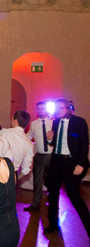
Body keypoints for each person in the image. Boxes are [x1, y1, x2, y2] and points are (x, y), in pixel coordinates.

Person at [45, 99, 90, 237]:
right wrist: (49, 139)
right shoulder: (56, 122)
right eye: (56, 108)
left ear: (68, 109)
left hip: (71, 163)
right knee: (52, 194)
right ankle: (53, 224)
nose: (58, 111)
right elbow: (56, 142)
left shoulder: (79, 122)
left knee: (75, 197)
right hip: (57, 161)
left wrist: (81, 164)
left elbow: (84, 144)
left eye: (61, 108)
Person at [24, 102, 53, 212]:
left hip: (52, 155)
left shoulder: (53, 122)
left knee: (52, 180)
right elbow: (28, 137)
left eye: (42, 109)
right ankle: (35, 204)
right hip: (40, 156)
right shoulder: (34, 124)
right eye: (38, 109)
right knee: (37, 181)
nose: (40, 111)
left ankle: (53, 203)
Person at [0, 110, 34, 179]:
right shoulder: (29, 142)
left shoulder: (4, 133)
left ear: (15, 121)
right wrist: (16, 178)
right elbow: (26, 169)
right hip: (13, 173)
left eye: (12, 119)